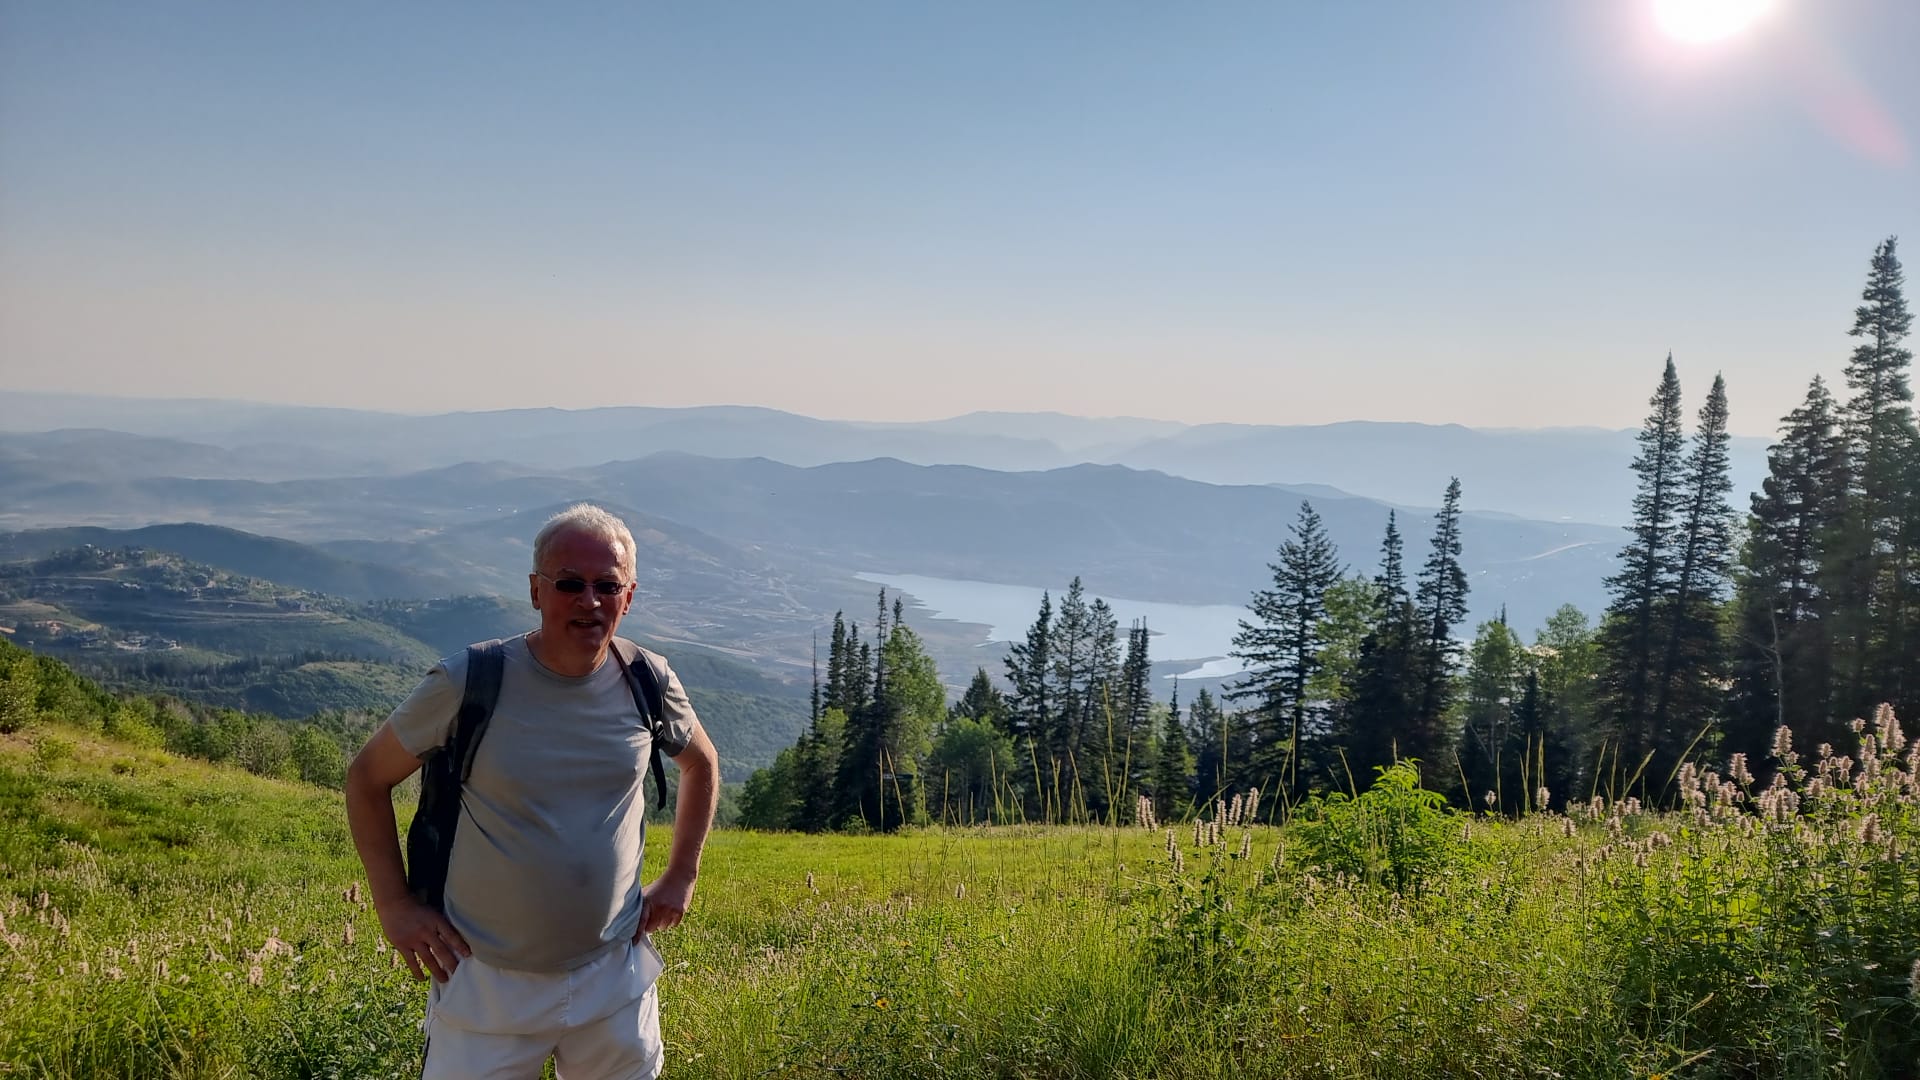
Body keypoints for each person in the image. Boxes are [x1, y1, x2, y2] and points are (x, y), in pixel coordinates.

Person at [346, 503, 720, 1080]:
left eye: (607, 586)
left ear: (629, 596)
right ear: (535, 591)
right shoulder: (470, 681)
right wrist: (394, 907)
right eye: (569, 583)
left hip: (614, 984)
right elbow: (367, 779)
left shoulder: (647, 679)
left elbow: (702, 764)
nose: (589, 601)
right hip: (485, 987)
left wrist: (682, 876)